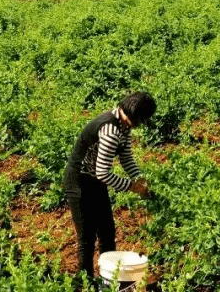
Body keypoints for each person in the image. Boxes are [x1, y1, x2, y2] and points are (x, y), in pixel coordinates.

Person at [63, 92, 156, 281]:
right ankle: (86, 281)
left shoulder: (123, 125)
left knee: (107, 232)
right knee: (87, 238)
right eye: (142, 119)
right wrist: (132, 187)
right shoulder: (110, 130)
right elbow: (103, 173)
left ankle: (110, 280)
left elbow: (126, 157)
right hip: (79, 182)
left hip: (96, 182)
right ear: (135, 114)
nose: (141, 124)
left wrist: (140, 178)